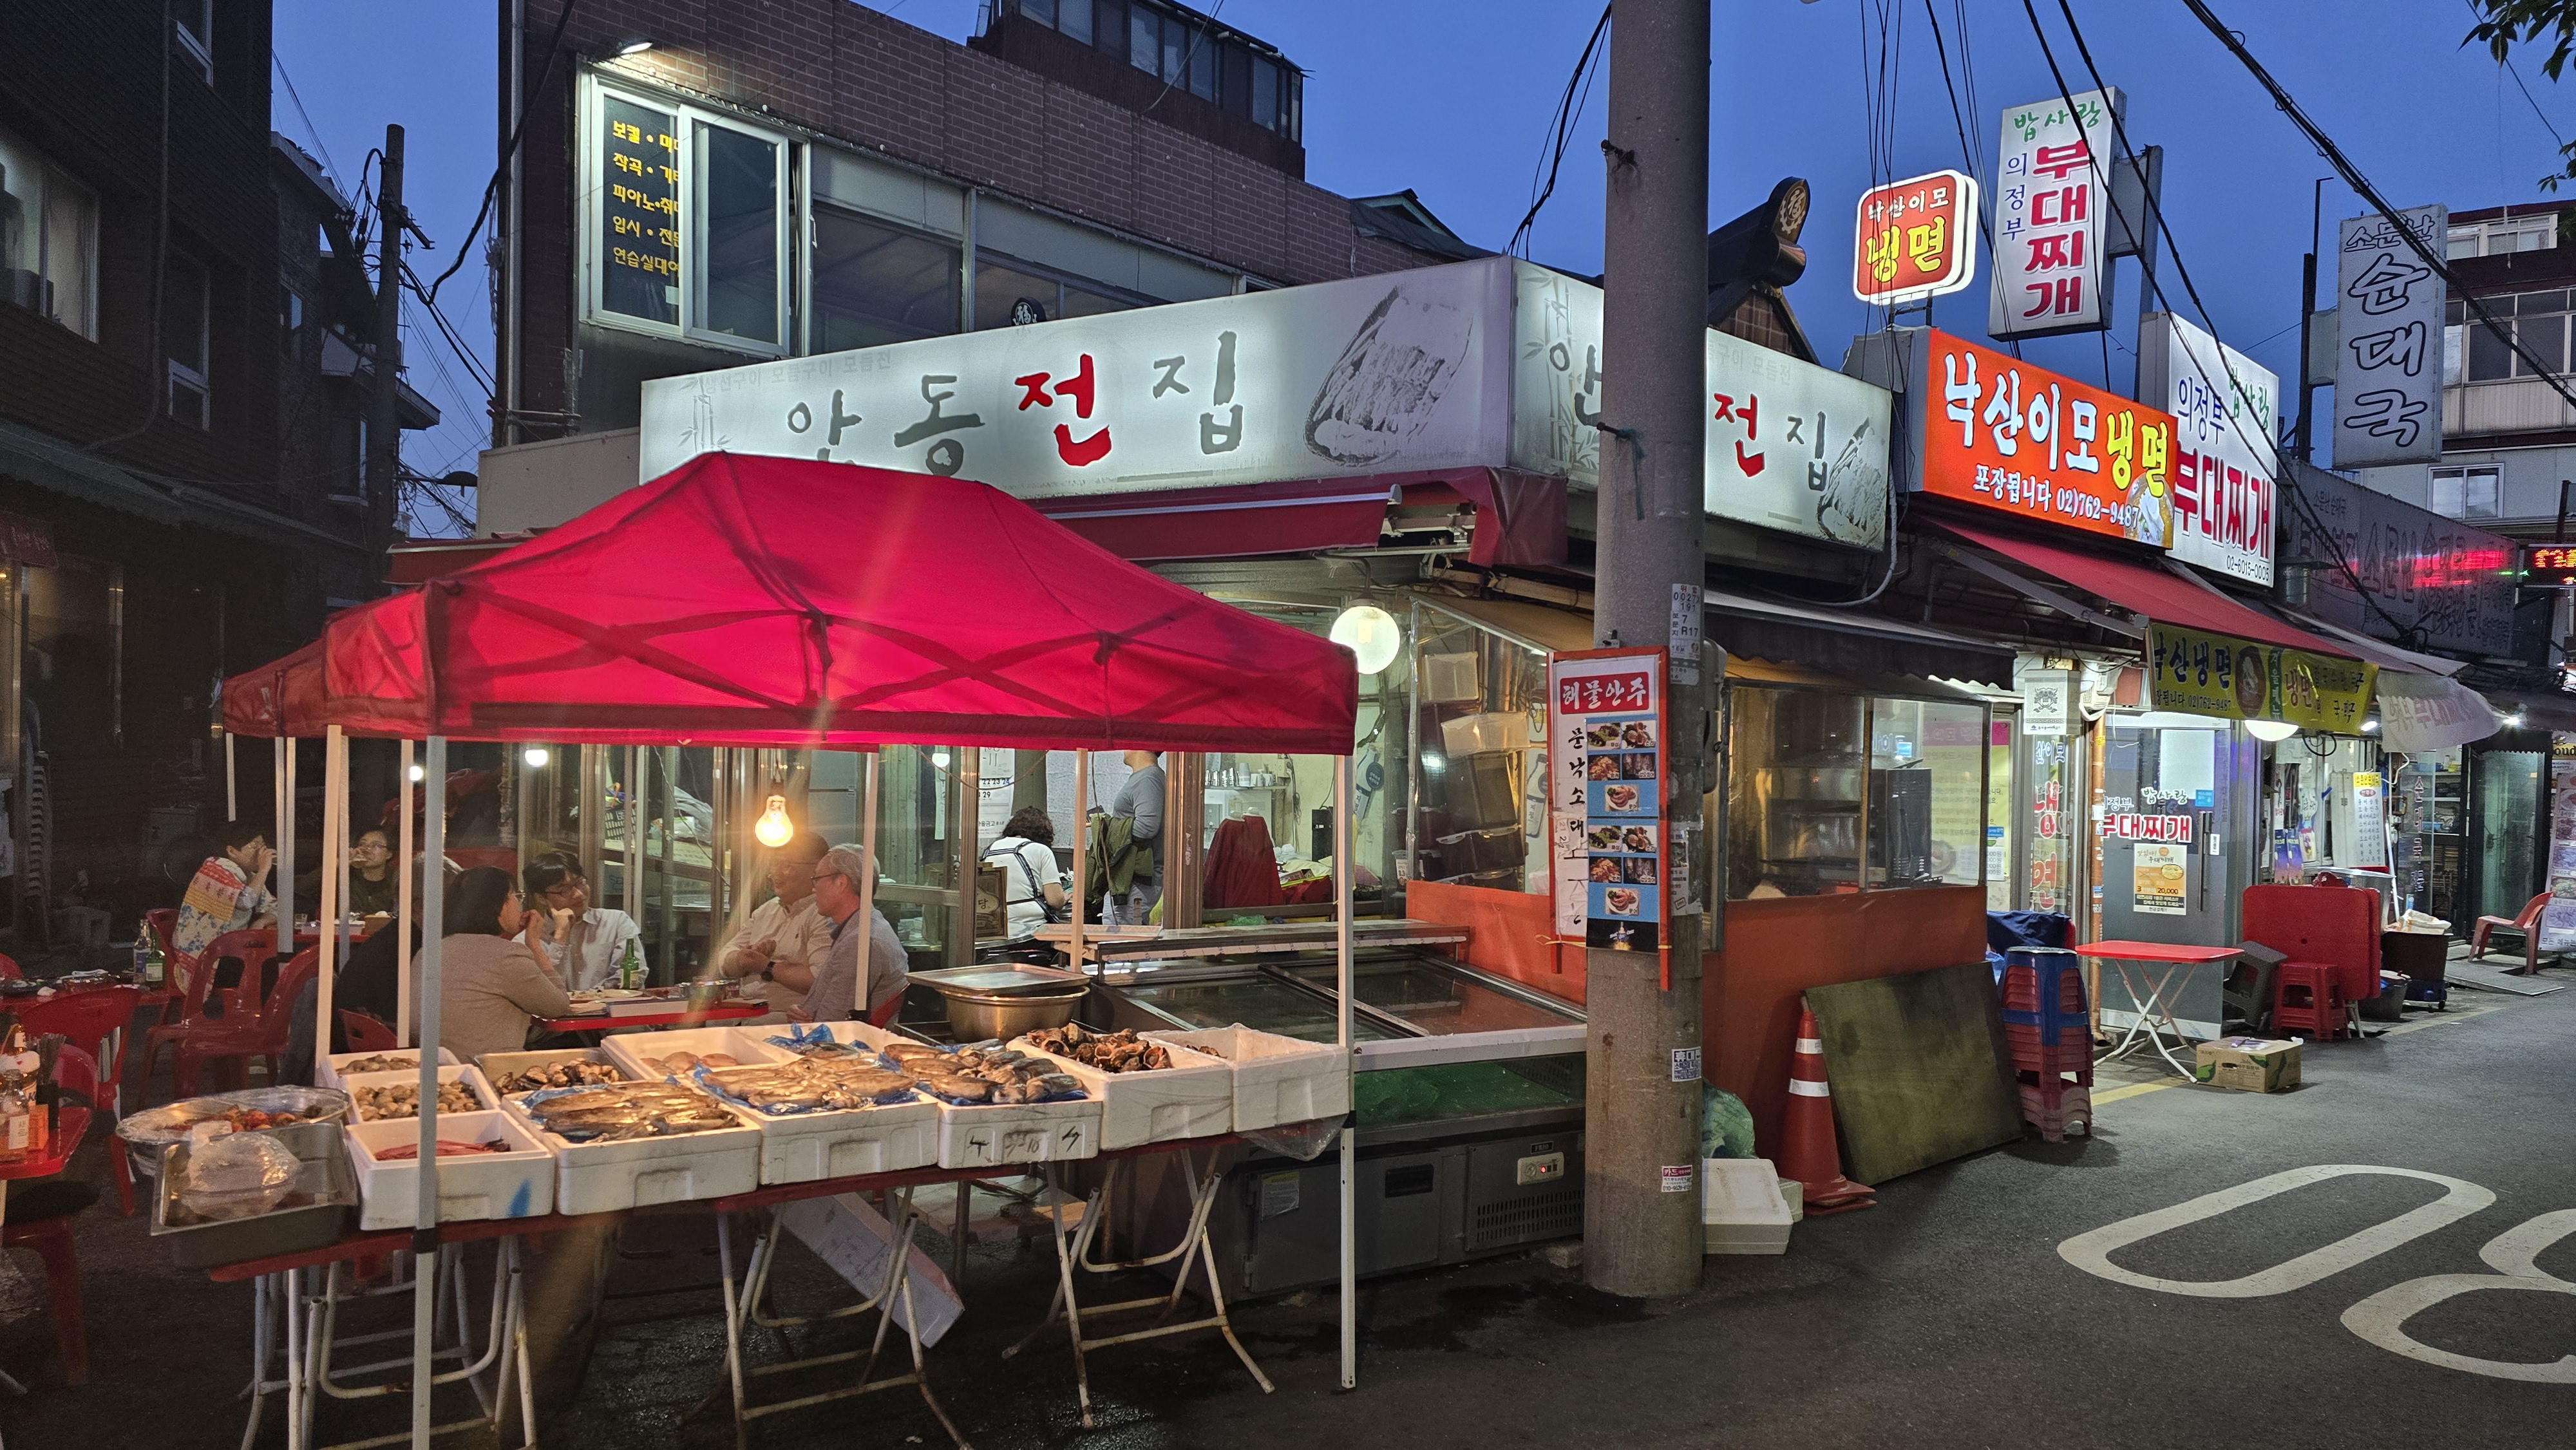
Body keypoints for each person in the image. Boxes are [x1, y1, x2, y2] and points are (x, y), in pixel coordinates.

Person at [436, 865, 574, 1064]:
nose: (520, 905)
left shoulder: (431, 951)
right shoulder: (505, 955)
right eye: (516, 896)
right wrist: (534, 944)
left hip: (442, 1068)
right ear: (499, 906)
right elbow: (558, 1006)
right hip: (491, 1068)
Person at [714, 831, 834, 1015]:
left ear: (817, 869)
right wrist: (742, 959)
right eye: (774, 863)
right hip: (741, 1013)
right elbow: (724, 959)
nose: (775, 873)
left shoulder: (825, 914)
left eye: (786, 865)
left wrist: (767, 966)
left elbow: (820, 980)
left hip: (785, 1018)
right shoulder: (766, 910)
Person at [791, 843, 908, 1024]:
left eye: (817, 879)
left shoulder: (860, 943)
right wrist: (802, 1012)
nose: (813, 889)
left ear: (841, 883)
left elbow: (831, 1025)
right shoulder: (862, 928)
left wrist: (804, 1021)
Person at [517, 853, 643, 991]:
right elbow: (545, 992)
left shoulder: (616, 922)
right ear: (541, 898)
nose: (579, 894)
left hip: (611, 1005)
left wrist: (590, 997)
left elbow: (633, 976)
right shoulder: (525, 943)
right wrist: (560, 937)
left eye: (580, 883)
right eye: (564, 890)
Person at [173, 818, 279, 963]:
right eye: (255, 847)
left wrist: (261, 922)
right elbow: (246, 901)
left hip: (231, 947)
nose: (261, 853)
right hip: (205, 953)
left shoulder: (250, 876)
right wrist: (264, 869)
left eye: (263, 846)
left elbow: (276, 908)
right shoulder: (215, 869)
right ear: (232, 851)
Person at [983, 807, 1066, 941]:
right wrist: (1064, 898)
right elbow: (1055, 901)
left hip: (991, 928)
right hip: (1030, 931)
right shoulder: (1041, 850)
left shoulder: (990, 849)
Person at [1110, 749, 1166, 919]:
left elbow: (1147, 827)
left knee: (1127, 929)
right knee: (1121, 924)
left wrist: (1107, 827)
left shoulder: (1149, 779)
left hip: (1137, 880)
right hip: (1129, 877)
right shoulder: (1145, 777)